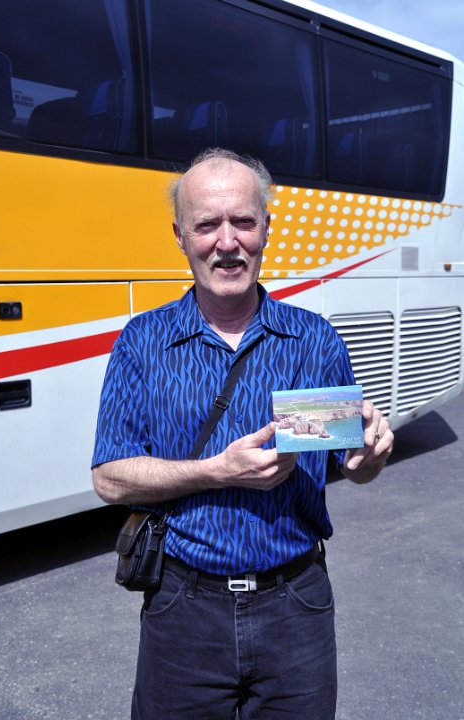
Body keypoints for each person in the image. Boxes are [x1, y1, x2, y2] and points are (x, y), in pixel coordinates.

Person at [91, 148, 394, 720]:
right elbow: (109, 478)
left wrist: (370, 453)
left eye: (244, 222)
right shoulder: (142, 342)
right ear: (180, 236)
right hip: (183, 609)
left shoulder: (314, 339)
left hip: (296, 606)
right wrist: (215, 471)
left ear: (267, 230)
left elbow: (350, 463)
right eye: (207, 224)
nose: (227, 242)